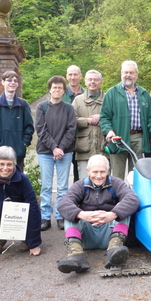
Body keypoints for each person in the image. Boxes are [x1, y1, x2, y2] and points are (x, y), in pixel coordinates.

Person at [57, 155, 139, 273]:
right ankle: (76, 255)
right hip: (86, 236)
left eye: (102, 172)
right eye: (95, 172)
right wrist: (81, 214)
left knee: (123, 208)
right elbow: (63, 203)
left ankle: (115, 251)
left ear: (108, 171)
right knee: (70, 212)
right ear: (88, 171)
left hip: (111, 233)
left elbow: (132, 199)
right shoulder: (80, 185)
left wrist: (113, 214)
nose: (99, 176)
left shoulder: (116, 183)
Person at [100, 60, 151, 180]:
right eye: (125, 72)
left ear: (136, 74)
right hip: (118, 139)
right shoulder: (111, 93)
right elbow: (104, 117)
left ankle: (134, 198)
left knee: (137, 175)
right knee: (117, 177)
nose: (128, 75)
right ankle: (117, 199)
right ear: (121, 73)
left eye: (131, 72)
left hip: (138, 138)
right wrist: (108, 130)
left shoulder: (144, 93)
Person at [0, 146, 41, 256]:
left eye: (9, 164)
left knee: (33, 211)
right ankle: (0, 239)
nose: (5, 168)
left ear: (14, 164)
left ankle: (26, 239)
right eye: (2, 164)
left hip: (21, 218)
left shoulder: (23, 180)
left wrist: (34, 243)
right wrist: (4, 206)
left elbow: (33, 208)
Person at [35, 75, 77, 231]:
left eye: (60, 87)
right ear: (49, 90)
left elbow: (71, 130)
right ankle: (45, 217)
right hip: (45, 152)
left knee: (62, 187)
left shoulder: (68, 108)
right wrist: (54, 147)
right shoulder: (42, 107)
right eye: (54, 87)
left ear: (64, 90)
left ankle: (60, 216)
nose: (57, 90)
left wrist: (61, 148)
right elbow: (41, 130)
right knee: (46, 186)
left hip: (65, 152)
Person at [0, 71, 34, 171]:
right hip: (0, 155)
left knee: (17, 183)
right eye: (9, 80)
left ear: (17, 84)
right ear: (3, 82)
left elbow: (29, 127)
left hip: (18, 154)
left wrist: (23, 144)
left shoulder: (23, 104)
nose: (12, 83)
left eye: (15, 81)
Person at [72, 70, 106, 179]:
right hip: (84, 149)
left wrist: (101, 117)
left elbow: (115, 118)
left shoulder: (108, 99)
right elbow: (71, 121)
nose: (92, 82)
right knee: (84, 182)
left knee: (103, 180)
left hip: (104, 149)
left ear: (100, 82)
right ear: (85, 82)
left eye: (95, 80)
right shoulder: (77, 100)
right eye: (90, 79)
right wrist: (87, 120)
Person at [63, 65, 85, 183]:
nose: (73, 77)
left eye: (75, 74)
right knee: (63, 175)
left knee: (80, 173)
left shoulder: (87, 94)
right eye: (70, 74)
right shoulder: (60, 94)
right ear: (66, 76)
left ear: (80, 76)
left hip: (82, 138)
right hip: (65, 139)